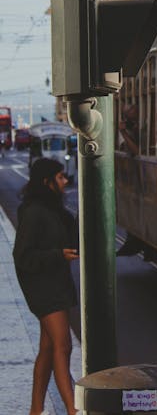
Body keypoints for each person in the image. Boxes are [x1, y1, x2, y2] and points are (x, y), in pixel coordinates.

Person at [13, 158, 79, 415]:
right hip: (43, 286)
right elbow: (23, 255)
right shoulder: (33, 212)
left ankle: (36, 410)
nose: (65, 181)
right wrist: (57, 255)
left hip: (55, 283)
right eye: (60, 177)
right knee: (63, 346)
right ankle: (73, 409)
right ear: (46, 181)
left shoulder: (52, 208)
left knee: (49, 348)